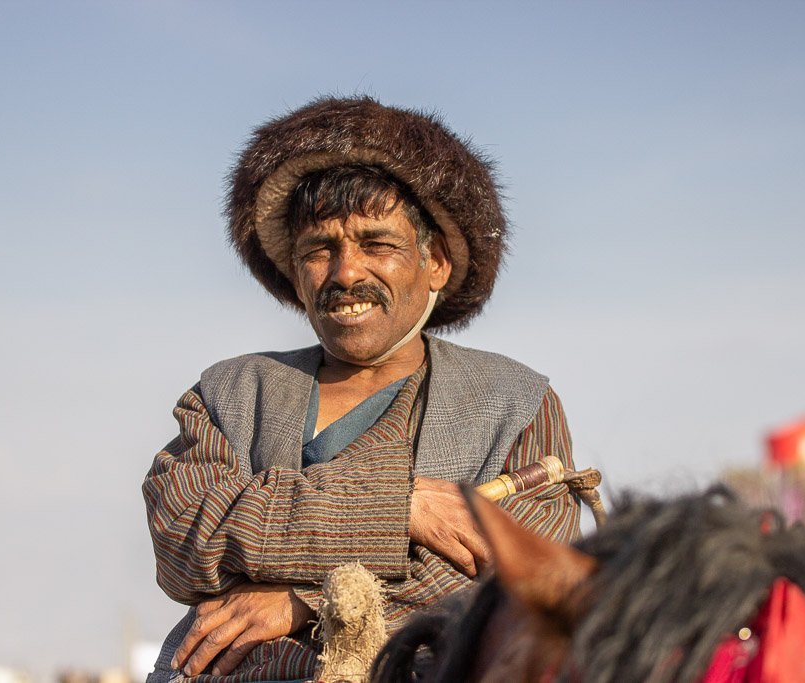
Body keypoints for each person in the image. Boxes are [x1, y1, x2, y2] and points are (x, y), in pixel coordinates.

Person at [143, 97, 581, 682]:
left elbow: (520, 578)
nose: (346, 272)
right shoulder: (229, 393)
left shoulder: (515, 402)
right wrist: (398, 509)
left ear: (437, 263)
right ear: (296, 273)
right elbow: (186, 535)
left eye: (377, 245)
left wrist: (308, 602)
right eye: (319, 249)